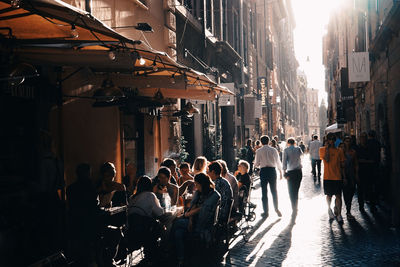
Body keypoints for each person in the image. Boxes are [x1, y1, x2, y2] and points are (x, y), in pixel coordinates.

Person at [172, 173, 220, 267]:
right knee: (178, 232)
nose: (195, 186)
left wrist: (186, 215)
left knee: (176, 223)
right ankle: (181, 258)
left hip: (204, 224)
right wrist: (190, 220)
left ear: (202, 184)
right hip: (193, 221)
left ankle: (172, 252)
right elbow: (193, 206)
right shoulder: (199, 192)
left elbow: (201, 210)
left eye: (197, 184)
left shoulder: (214, 195)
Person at [66, 163, 100, 266]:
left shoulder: (70, 188)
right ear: (87, 174)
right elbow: (95, 205)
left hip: (74, 222)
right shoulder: (90, 187)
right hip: (89, 222)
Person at [126, 176, 164, 264]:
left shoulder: (132, 198)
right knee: (159, 225)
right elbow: (160, 213)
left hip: (131, 234)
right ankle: (157, 254)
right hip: (146, 234)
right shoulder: (150, 195)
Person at [254, 135, 283, 218]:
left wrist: (255, 167)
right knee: (274, 191)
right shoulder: (274, 150)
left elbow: (256, 163)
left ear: (261, 141)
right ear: (269, 141)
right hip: (272, 171)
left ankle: (266, 212)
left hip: (263, 171)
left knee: (264, 192)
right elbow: (278, 161)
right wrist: (280, 171)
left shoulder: (259, 151)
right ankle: (276, 209)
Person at [319, 133, 345, 223]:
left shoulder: (339, 151)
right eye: (329, 140)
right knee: (329, 196)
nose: (331, 142)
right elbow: (326, 159)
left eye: (333, 140)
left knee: (338, 196)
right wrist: (326, 149)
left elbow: (342, 165)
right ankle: (329, 210)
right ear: (327, 141)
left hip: (337, 177)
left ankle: (339, 214)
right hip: (328, 177)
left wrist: (344, 177)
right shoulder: (322, 150)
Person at [282, 138, 303, 222]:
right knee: (296, 191)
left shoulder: (286, 150)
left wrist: (284, 172)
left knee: (291, 192)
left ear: (287, 143)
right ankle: (296, 207)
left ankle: (293, 208)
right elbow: (301, 155)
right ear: (294, 143)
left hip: (290, 172)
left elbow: (284, 162)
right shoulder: (298, 149)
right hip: (298, 172)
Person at [342, 136, 358, 219]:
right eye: (346, 141)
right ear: (344, 142)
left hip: (351, 174)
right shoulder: (341, 152)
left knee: (351, 192)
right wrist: (344, 177)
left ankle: (348, 209)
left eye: (349, 141)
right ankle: (348, 212)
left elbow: (356, 164)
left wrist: (356, 174)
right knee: (345, 193)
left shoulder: (353, 152)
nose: (347, 142)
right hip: (344, 175)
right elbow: (341, 165)